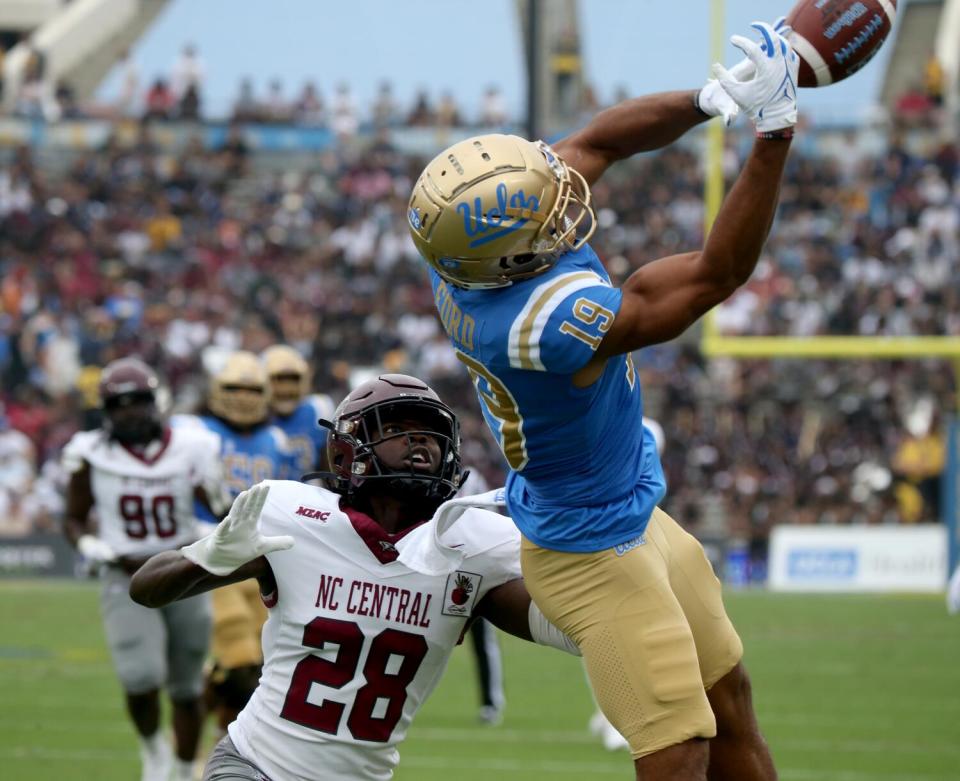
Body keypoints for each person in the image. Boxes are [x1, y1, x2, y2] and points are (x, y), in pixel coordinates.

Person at [406, 20, 797, 780]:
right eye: (546, 216)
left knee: (731, 702)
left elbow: (599, 143)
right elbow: (716, 274)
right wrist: (773, 133)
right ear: (513, 255)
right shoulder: (540, 325)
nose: (564, 204)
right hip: (591, 552)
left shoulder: (466, 254)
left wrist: (709, 98)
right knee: (680, 751)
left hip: (636, 516)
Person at [130, 374, 579, 781]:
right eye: (395, 429)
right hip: (255, 765)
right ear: (350, 446)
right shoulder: (293, 515)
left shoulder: (470, 545)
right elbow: (146, 589)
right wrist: (208, 555)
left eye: (430, 433)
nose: (418, 442)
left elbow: (574, 631)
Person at [61, 357, 228, 781]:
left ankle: (187, 767)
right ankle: (154, 751)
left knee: (188, 684)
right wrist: (87, 542)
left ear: (157, 401)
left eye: (139, 401)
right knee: (141, 677)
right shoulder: (89, 452)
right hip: (126, 573)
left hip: (185, 569)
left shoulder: (192, 444)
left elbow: (220, 508)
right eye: (120, 404)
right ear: (106, 410)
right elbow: (74, 516)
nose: (131, 411)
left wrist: (217, 492)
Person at [175, 350, 299, 732]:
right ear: (216, 389)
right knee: (242, 663)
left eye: (251, 388)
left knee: (260, 667)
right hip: (212, 553)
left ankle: (214, 721)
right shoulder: (195, 433)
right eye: (234, 387)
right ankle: (207, 721)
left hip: (261, 560)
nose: (243, 396)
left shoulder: (277, 440)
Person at [261, 344, 335, 475]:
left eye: (293, 379)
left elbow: (330, 467)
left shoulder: (319, 409)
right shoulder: (256, 420)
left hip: (310, 491)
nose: (285, 388)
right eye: (278, 379)